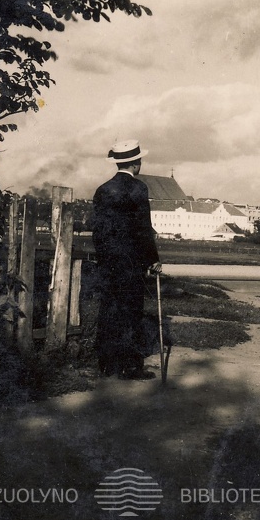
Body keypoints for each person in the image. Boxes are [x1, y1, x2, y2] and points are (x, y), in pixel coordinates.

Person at [92, 140, 162, 379]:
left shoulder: (103, 189)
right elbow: (143, 228)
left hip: (109, 261)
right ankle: (131, 366)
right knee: (132, 311)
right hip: (131, 261)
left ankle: (106, 365)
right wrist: (153, 258)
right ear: (135, 163)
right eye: (139, 161)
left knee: (109, 309)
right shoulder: (138, 189)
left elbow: (98, 230)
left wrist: (104, 258)